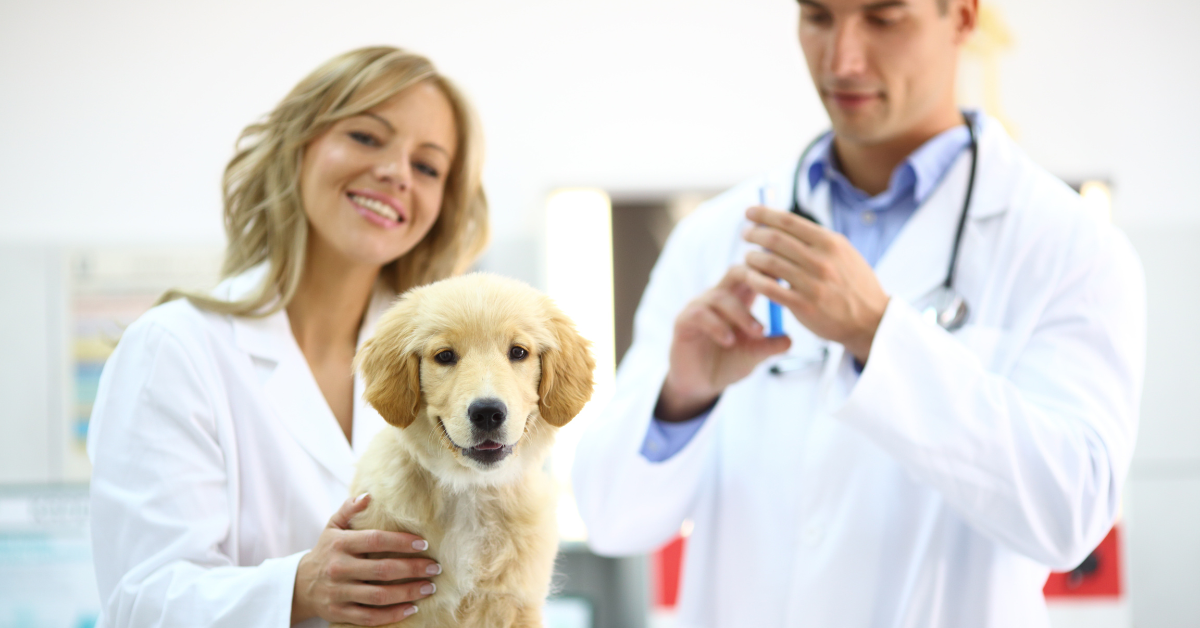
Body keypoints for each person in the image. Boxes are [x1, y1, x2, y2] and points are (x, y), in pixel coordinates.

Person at [572, 1, 1144, 626]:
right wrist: (681, 399)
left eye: (882, 17)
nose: (841, 59)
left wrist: (878, 336)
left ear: (961, 17)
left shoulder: (1070, 248)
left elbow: (1071, 517)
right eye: (818, 16)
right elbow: (612, 517)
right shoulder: (716, 238)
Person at [87, 46, 488, 627]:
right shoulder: (176, 348)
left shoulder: (448, 369)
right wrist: (297, 589)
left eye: (427, 167)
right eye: (367, 137)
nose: (397, 173)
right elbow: (138, 601)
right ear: (299, 146)